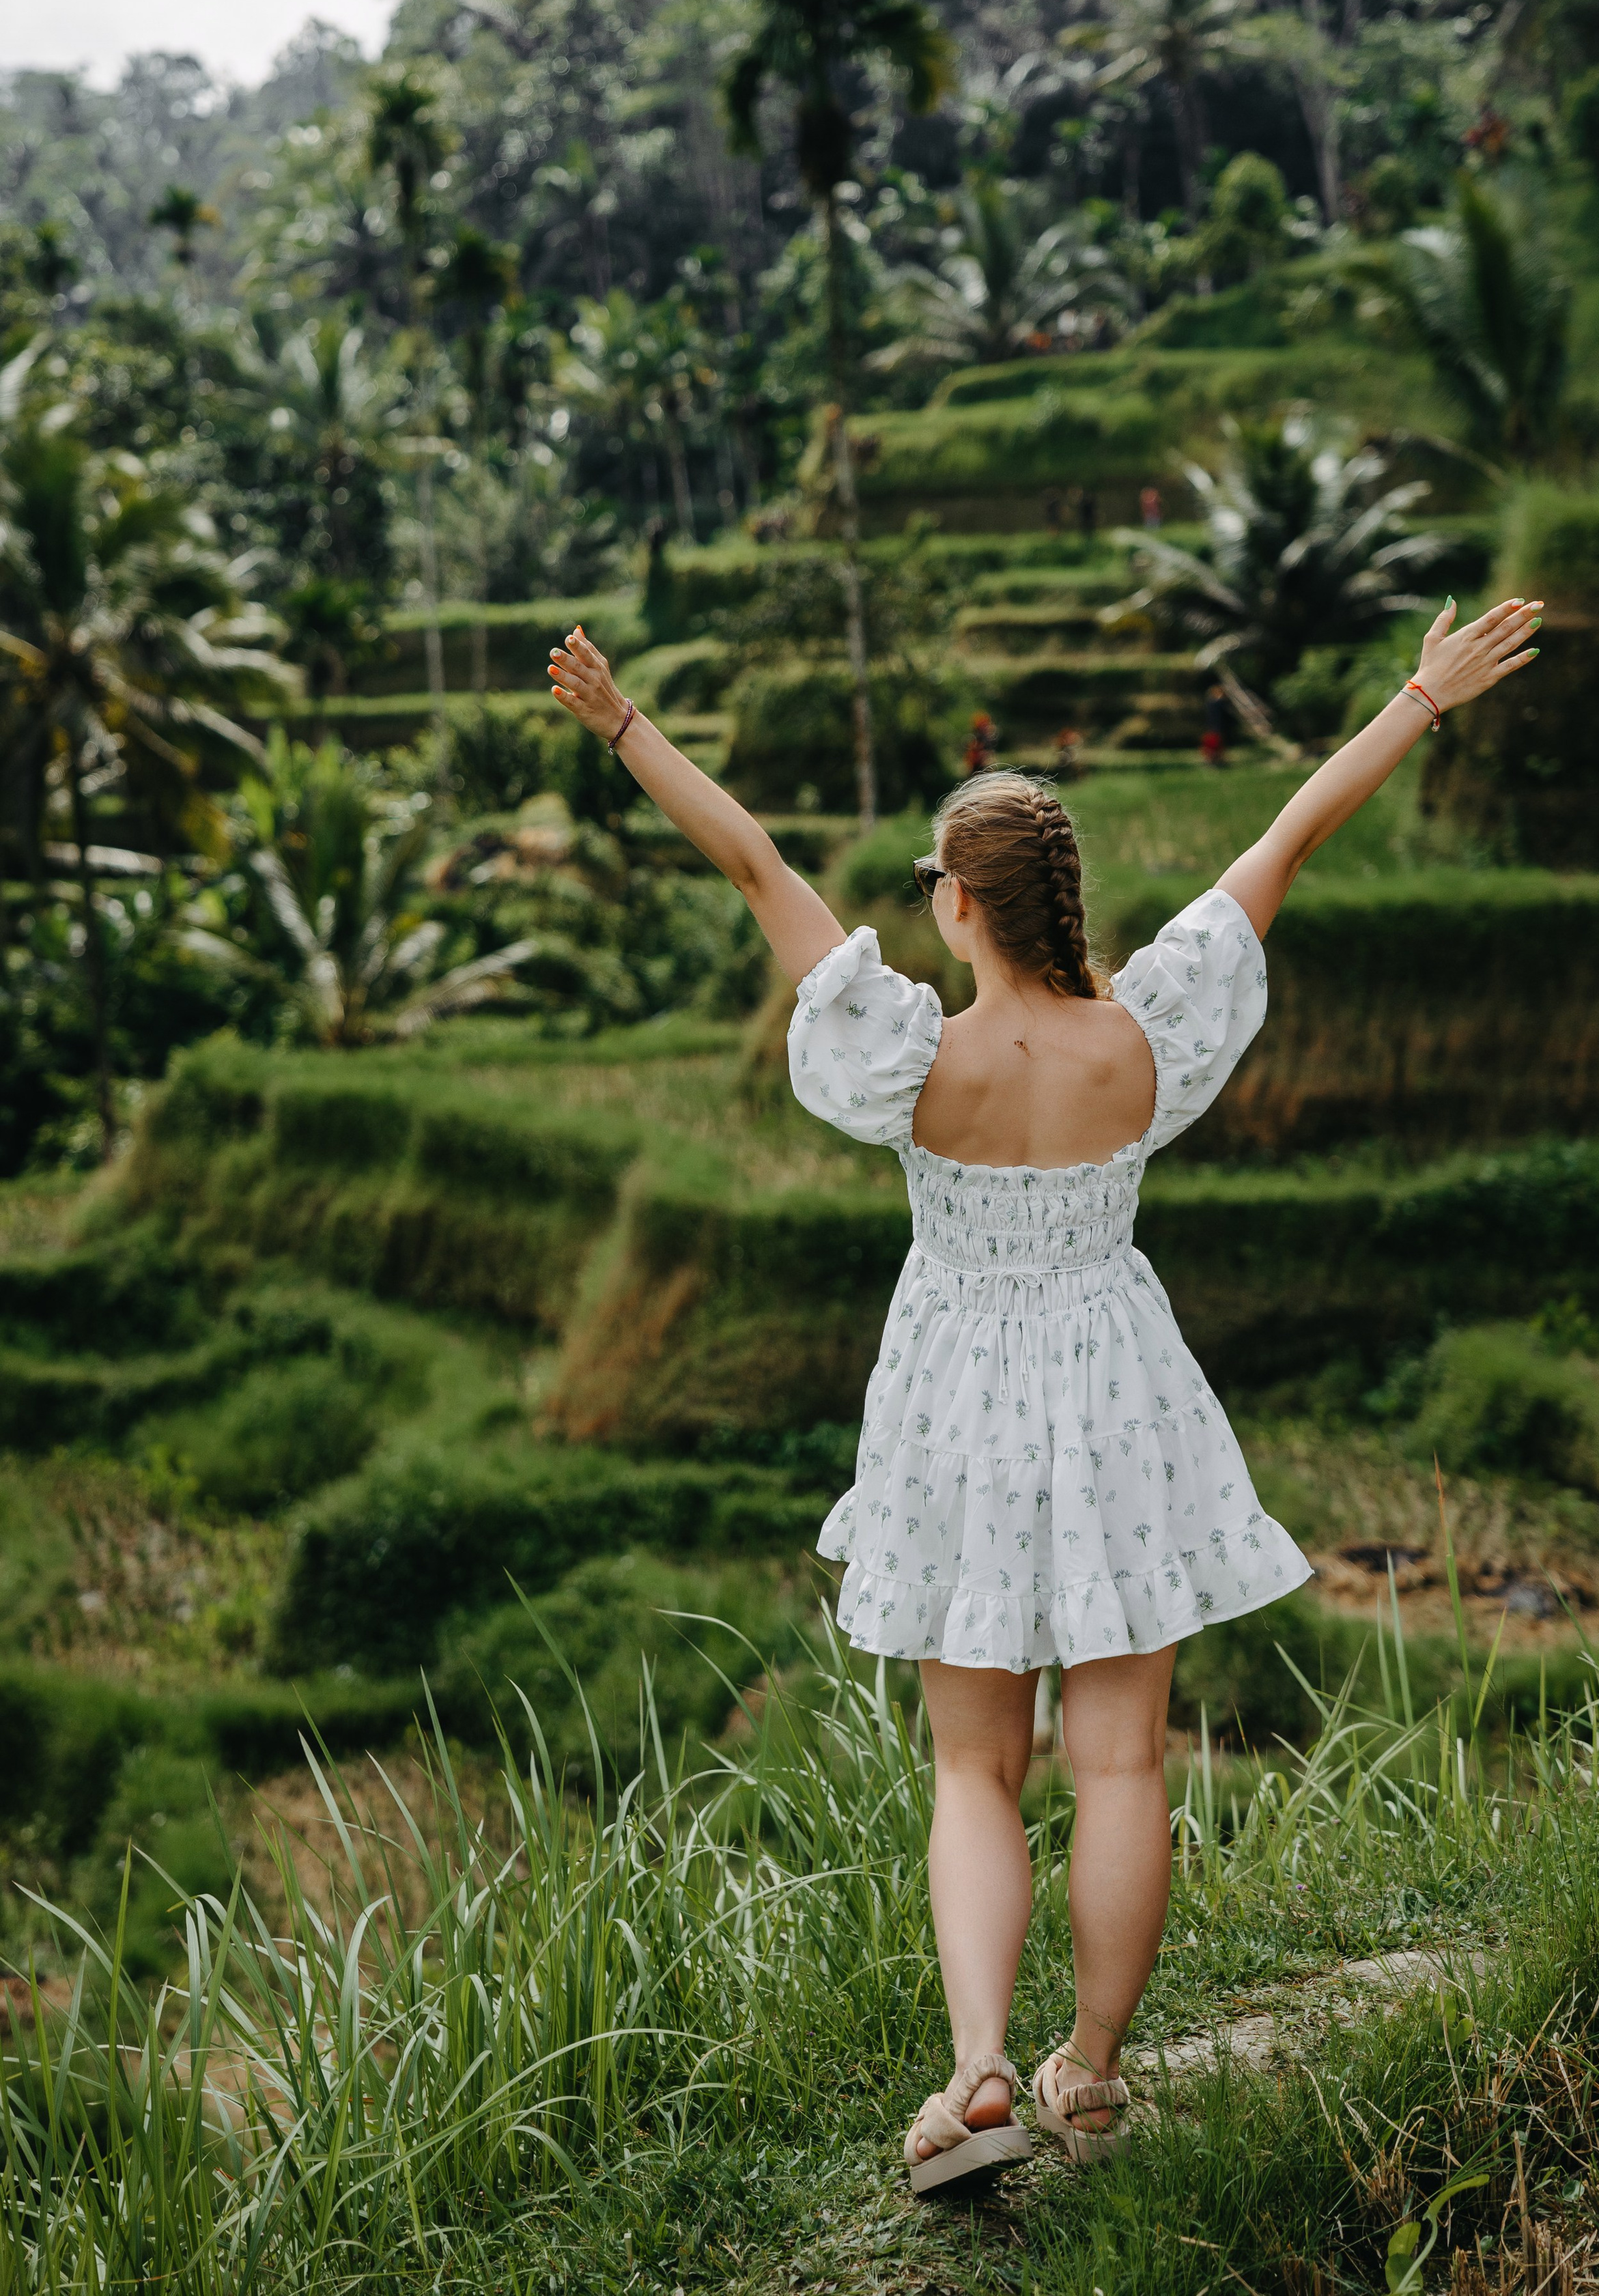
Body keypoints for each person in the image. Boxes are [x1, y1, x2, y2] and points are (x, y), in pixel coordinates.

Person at [546, 588, 1542, 2192]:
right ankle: (1090, 2073)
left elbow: (754, 866)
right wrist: (1416, 700)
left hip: (955, 1398)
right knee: (1124, 1763)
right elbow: (1284, 841)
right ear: (1055, 897)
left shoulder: (905, 1056)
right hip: (1119, 1387)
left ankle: (979, 2070)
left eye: (933, 880)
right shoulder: (1141, 1040)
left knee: (969, 1766)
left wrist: (622, 727)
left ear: (955, 905)